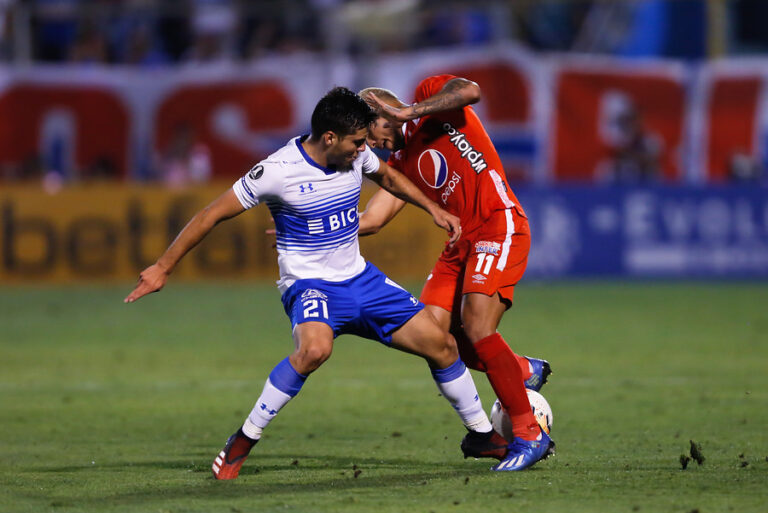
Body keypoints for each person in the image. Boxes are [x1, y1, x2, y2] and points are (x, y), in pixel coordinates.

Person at [124, 87, 516, 480]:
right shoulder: (277, 171)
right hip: (310, 284)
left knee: (443, 344)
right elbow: (211, 214)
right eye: (357, 142)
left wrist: (432, 207)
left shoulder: (355, 154)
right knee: (314, 350)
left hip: (361, 279)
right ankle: (243, 440)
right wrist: (162, 267)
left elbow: (390, 179)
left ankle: (482, 436)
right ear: (329, 137)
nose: (365, 150)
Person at [358, 75, 555, 471]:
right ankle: (518, 368)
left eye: (371, 133)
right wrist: (313, 225)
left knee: (478, 327)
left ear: (384, 110)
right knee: (432, 335)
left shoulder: (433, 96)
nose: (371, 145)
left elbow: (472, 91)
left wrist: (410, 111)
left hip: (497, 225)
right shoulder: (400, 163)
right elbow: (375, 219)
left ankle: (529, 434)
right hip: (459, 245)